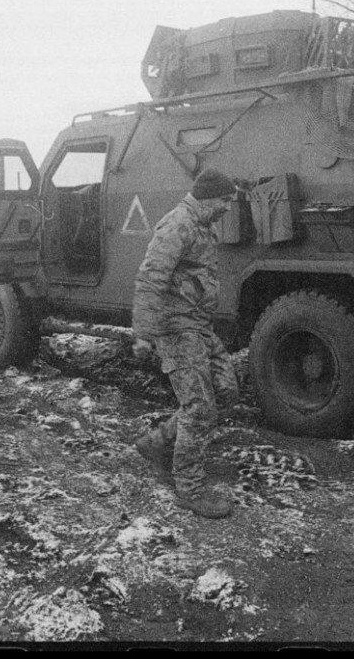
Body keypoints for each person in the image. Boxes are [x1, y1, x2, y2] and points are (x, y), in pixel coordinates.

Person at [131, 168, 240, 518]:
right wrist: (144, 334)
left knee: (225, 390)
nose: (227, 207)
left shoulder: (202, 225)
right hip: (177, 329)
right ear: (208, 197)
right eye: (224, 200)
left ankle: (158, 443)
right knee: (199, 407)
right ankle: (190, 490)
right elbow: (151, 278)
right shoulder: (178, 224)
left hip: (199, 326)